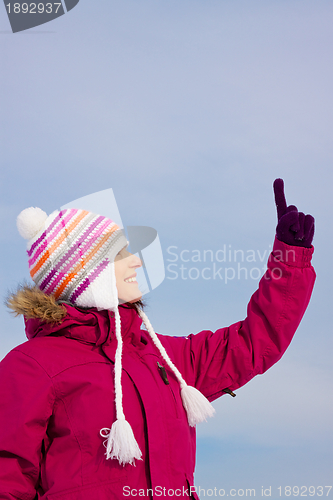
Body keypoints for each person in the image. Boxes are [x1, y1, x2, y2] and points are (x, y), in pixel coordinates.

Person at [0, 179, 315, 500]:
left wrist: (290, 260)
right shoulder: (31, 366)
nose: (135, 260)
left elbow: (253, 343)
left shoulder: (165, 358)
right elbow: (7, 475)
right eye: (119, 254)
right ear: (84, 274)